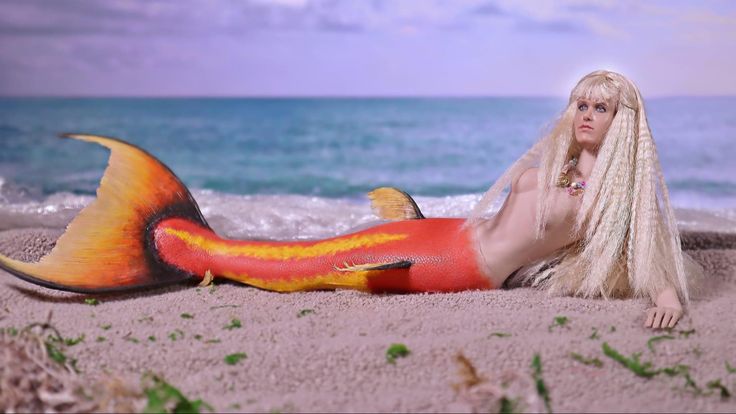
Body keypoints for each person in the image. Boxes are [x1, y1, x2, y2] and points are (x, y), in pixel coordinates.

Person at [0, 70, 702, 331]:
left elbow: (649, 244)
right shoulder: (551, 156)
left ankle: (167, 244)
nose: (585, 112)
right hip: (446, 232)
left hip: (456, 268)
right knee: (304, 252)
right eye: (581, 99)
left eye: (602, 107)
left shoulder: (609, 199)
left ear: (625, 123)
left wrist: (667, 295)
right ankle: (174, 236)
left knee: (299, 267)